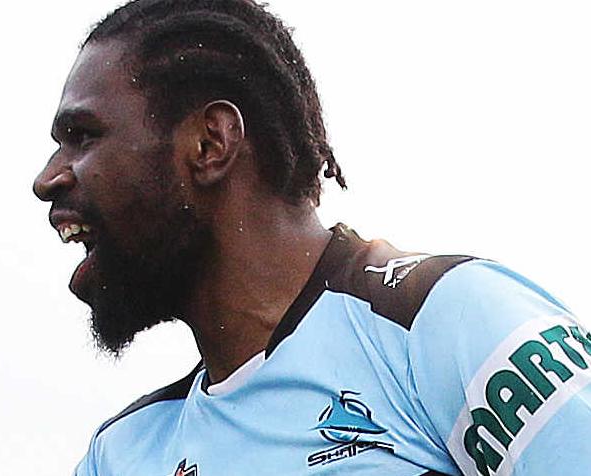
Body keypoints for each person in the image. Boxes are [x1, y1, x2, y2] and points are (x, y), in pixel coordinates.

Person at [32, 0, 591, 474]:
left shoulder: (447, 318)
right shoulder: (122, 454)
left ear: (210, 144)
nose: (47, 179)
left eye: (82, 136)